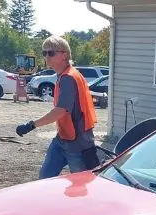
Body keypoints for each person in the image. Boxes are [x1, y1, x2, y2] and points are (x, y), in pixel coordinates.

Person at [15, 35, 99, 178]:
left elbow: (60, 111)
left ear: (64, 55)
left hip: (78, 144)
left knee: (82, 187)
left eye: (51, 53)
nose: (47, 56)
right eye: (44, 53)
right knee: (44, 180)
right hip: (62, 139)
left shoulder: (68, 78)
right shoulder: (64, 75)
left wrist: (31, 125)